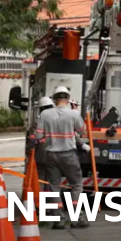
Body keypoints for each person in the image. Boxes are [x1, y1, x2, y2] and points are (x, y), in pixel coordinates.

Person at [34, 86, 91, 229]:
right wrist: (75, 113)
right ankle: (76, 218)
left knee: (54, 186)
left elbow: (39, 135)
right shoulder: (73, 114)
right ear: (67, 99)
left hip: (51, 155)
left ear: (55, 99)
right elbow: (81, 131)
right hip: (69, 154)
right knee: (76, 185)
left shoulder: (45, 114)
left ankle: (58, 219)